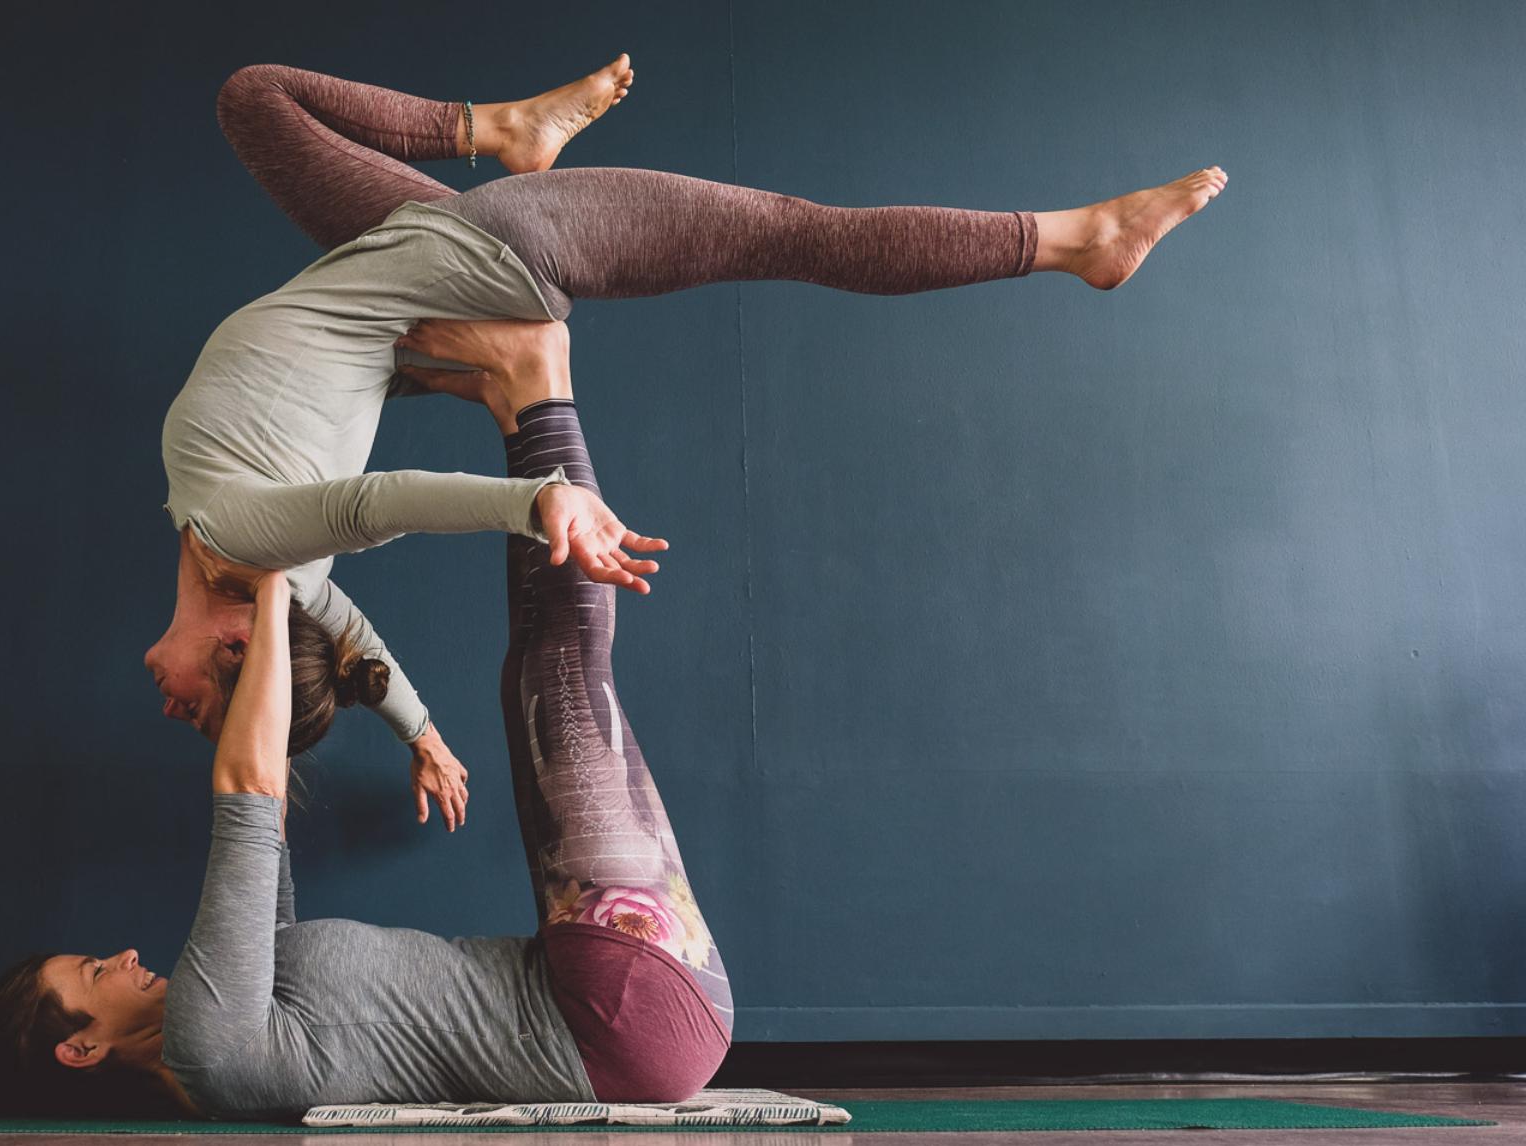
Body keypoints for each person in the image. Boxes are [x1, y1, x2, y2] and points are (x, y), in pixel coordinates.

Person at [145, 57, 1228, 832]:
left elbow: (351, 633)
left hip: (402, 251)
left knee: (255, 99)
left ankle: (501, 135)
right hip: (492, 249)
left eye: (195, 714)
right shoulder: (246, 538)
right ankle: (1075, 242)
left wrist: (417, 729)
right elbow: (376, 504)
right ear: (238, 649)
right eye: (200, 707)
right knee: (796, 230)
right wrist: (532, 505)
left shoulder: (256, 561)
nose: (173, 705)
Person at [0, 322, 733, 1118]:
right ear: (80, 1048)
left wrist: (244, 700)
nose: (123, 955)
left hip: (617, 1005)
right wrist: (269, 575)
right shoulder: (207, 1043)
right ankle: (540, 383)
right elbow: (247, 797)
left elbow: (267, 822)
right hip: (615, 1016)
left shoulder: (240, 1018)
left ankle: (521, 408)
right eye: (96, 972)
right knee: (555, 675)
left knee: (532, 679)